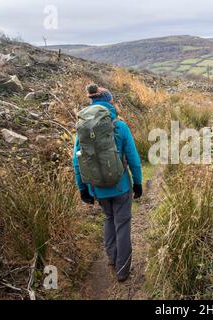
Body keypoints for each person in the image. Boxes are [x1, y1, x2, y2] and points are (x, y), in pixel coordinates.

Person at [73, 84, 143, 282]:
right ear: (109, 102)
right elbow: (134, 158)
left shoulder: (83, 128)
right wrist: (138, 183)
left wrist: (83, 189)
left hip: (98, 188)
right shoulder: (119, 125)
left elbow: (76, 161)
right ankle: (123, 270)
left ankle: (112, 258)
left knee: (108, 219)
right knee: (122, 224)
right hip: (121, 187)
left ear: (91, 102)